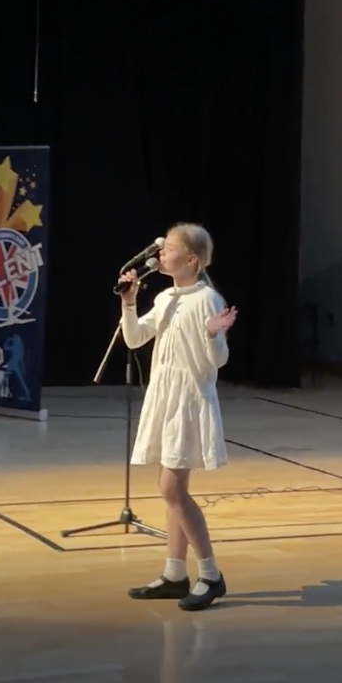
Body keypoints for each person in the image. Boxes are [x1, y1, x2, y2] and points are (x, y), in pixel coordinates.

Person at [118, 223, 237, 612]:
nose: (161, 254)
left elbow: (218, 360)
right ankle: (174, 574)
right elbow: (135, 338)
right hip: (165, 397)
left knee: (171, 489)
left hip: (188, 401)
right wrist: (129, 303)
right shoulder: (166, 297)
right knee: (172, 489)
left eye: (169, 248)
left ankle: (210, 574)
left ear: (191, 260)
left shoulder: (208, 299)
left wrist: (213, 335)